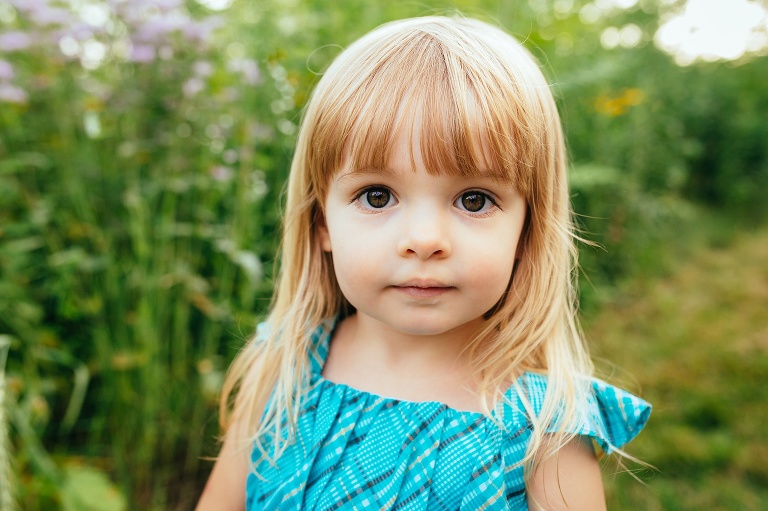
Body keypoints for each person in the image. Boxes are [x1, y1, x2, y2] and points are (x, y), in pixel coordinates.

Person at [196, 15, 650, 511]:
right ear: (321, 221)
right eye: (376, 195)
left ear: (528, 229)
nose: (424, 240)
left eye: (474, 200)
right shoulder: (283, 369)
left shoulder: (543, 428)